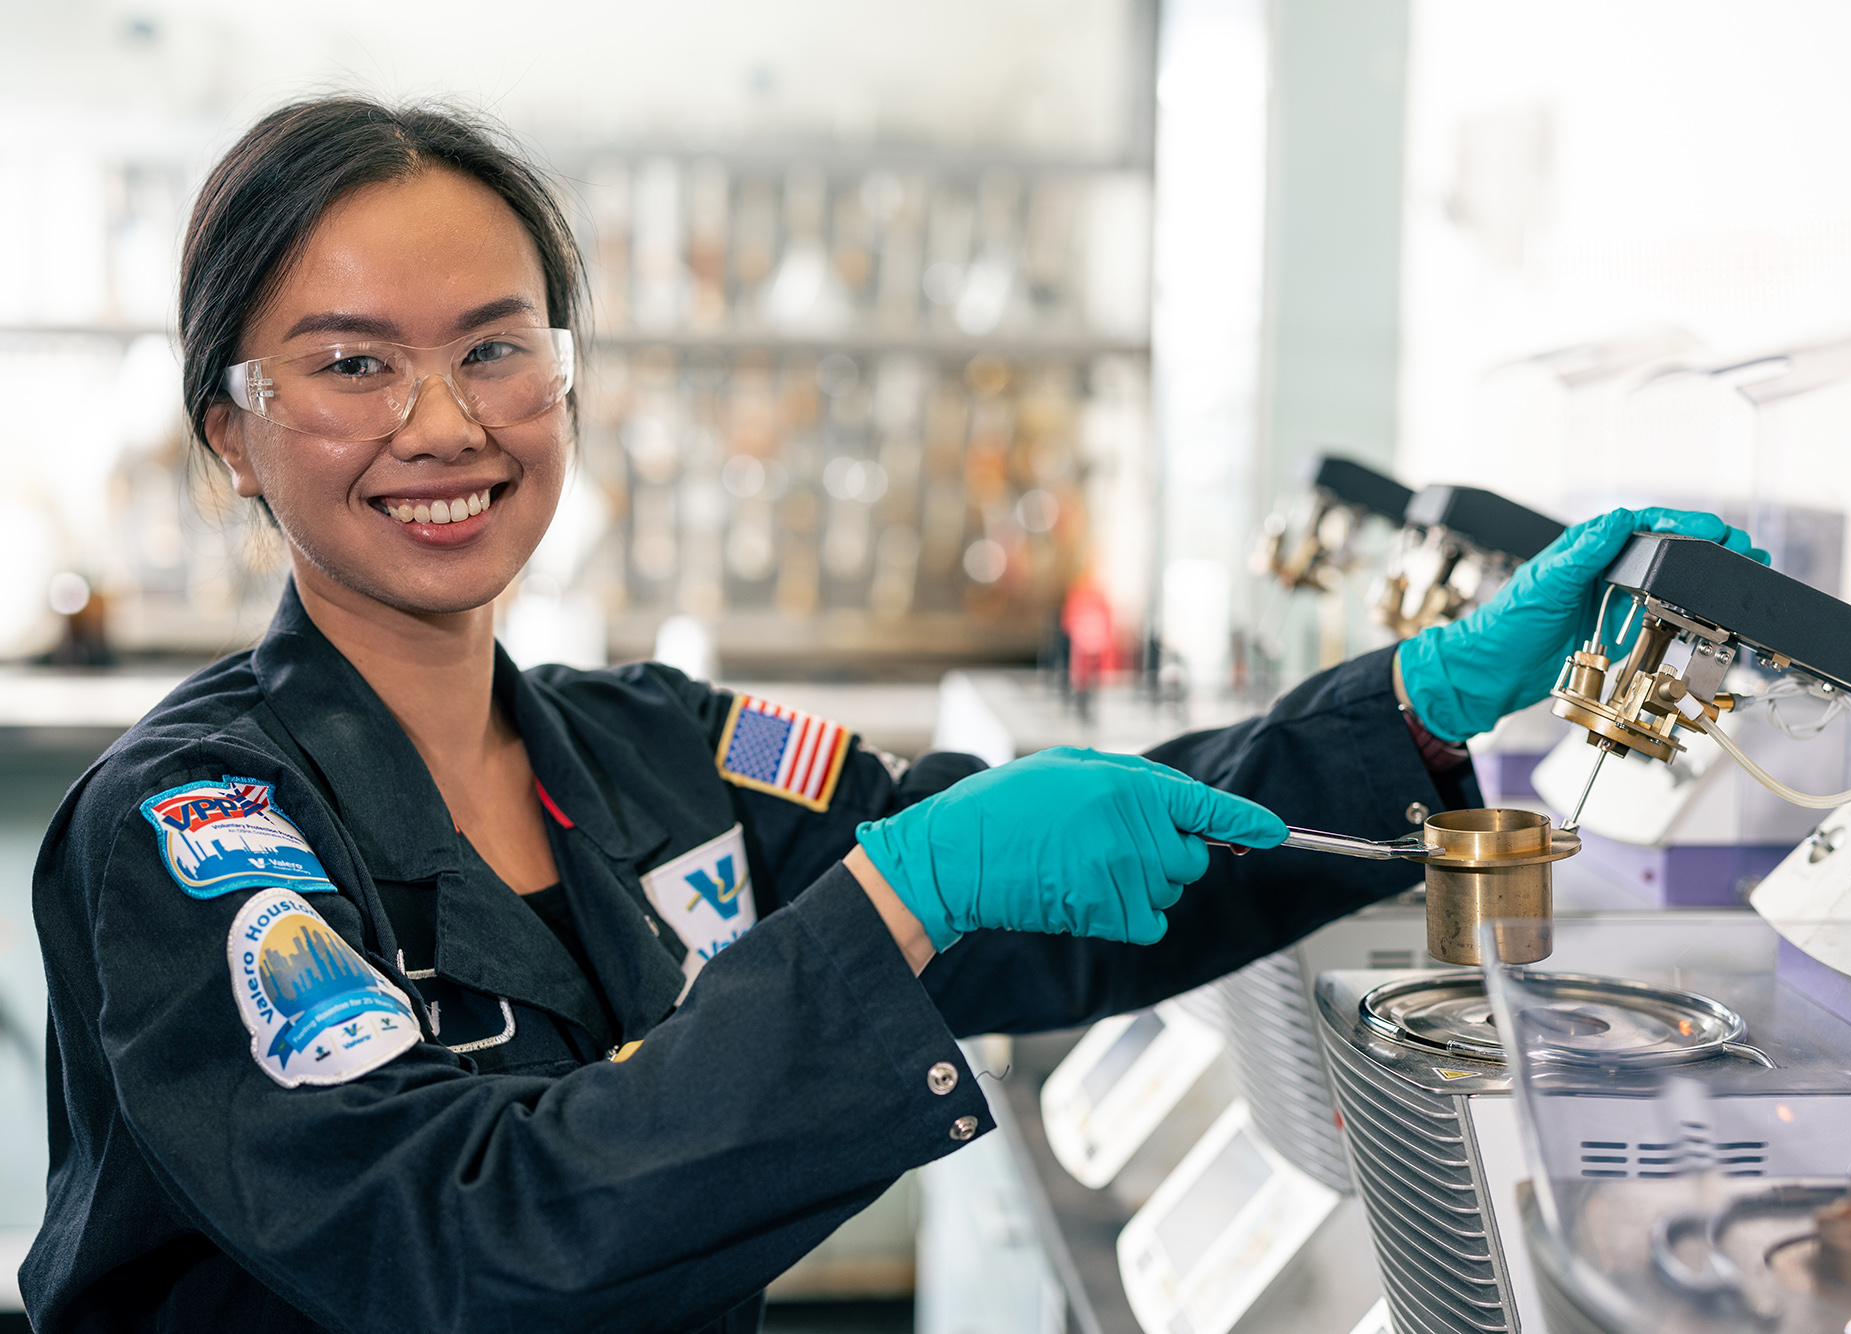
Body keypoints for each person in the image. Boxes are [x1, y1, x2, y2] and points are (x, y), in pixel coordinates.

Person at [23, 97, 1762, 1334]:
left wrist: (1422, 707)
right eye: (349, 365)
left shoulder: (651, 750)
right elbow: (456, 1243)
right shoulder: (194, 831)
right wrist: (890, 902)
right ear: (230, 432)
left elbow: (1086, 870)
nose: (442, 421)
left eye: (496, 347)